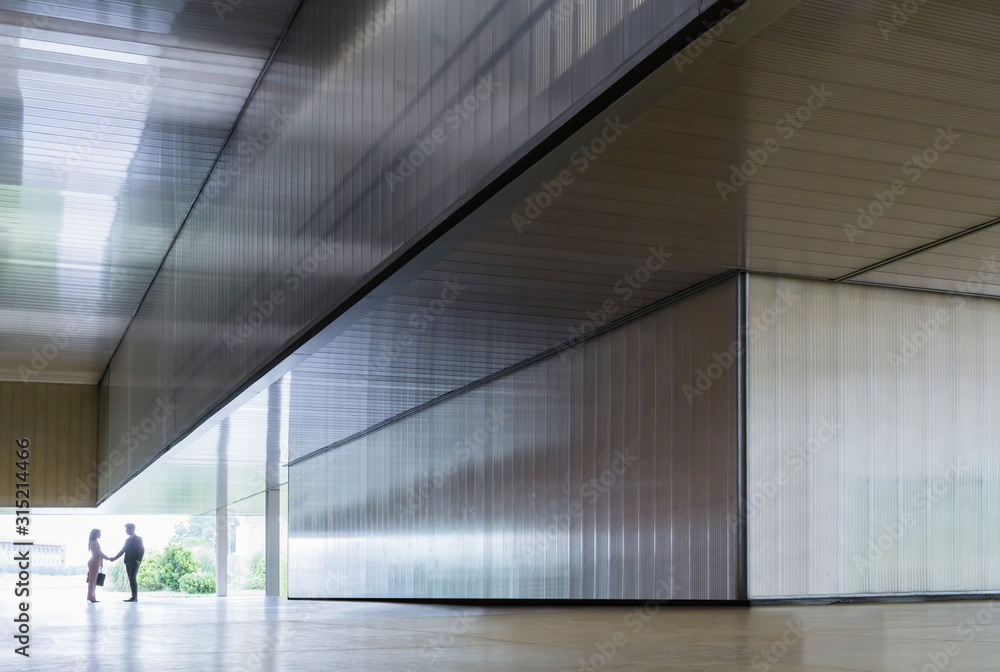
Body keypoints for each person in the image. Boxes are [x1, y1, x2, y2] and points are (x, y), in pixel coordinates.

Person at [110, 523, 145, 602]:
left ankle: (135, 597)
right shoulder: (127, 540)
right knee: (130, 579)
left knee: (132, 578)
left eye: (127, 529)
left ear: (132, 529)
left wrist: (138, 561)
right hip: (128, 562)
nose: (125, 531)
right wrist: (114, 558)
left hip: (134, 562)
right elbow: (123, 550)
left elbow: (142, 550)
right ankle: (133, 596)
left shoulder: (139, 538)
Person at [87, 529, 113, 603]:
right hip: (94, 563)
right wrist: (108, 558)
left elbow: (99, 553)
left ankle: (92, 597)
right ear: (95, 534)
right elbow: (99, 553)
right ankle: (91, 597)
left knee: (93, 581)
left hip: (95, 563)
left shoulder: (94, 542)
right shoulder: (94, 542)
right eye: (99, 533)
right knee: (92, 581)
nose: (100, 535)